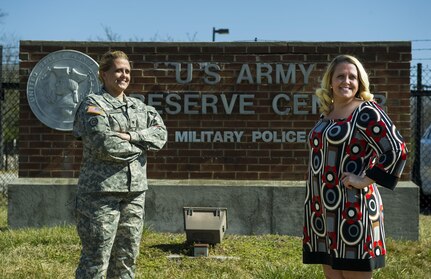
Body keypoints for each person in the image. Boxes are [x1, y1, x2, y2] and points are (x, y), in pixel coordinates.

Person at [303, 55, 408, 279]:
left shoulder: (366, 111)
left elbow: (396, 149)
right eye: (340, 76)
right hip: (323, 212)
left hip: (353, 211)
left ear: (360, 82)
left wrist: (365, 179)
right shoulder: (327, 114)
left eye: (353, 77)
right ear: (330, 81)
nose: (347, 81)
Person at [73, 50, 167, 278]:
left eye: (127, 71)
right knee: (96, 258)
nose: (124, 75)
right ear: (103, 74)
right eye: (118, 70)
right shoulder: (93, 105)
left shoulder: (140, 107)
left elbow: (161, 134)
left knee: (127, 258)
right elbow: (104, 144)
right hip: (100, 194)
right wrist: (142, 144)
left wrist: (131, 136)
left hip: (134, 193)